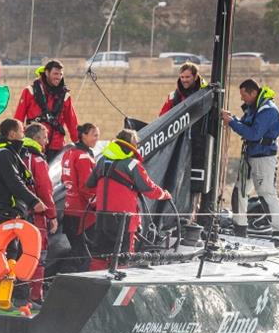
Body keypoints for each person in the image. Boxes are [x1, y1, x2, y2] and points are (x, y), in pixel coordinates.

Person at [86, 129, 171, 271]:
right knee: (122, 257)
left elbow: (89, 184)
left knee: (99, 255)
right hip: (124, 220)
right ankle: (118, 287)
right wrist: (165, 194)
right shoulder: (132, 164)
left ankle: (94, 285)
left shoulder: (102, 161)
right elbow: (149, 189)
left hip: (102, 216)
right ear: (132, 144)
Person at [0, 119, 46, 304]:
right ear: (11, 134)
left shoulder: (11, 153)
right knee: (5, 255)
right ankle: (1, 300)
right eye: (21, 130)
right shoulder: (4, 154)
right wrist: (34, 201)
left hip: (10, 211)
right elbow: (14, 182)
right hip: (2, 211)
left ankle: (9, 298)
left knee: (13, 254)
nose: (24, 133)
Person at [221, 79, 279, 246]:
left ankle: (278, 234)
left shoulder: (268, 110)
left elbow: (254, 134)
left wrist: (232, 123)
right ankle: (240, 228)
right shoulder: (254, 108)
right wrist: (232, 118)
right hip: (250, 157)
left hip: (264, 158)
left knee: (266, 194)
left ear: (253, 93)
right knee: (239, 192)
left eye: (244, 96)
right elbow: (245, 124)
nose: (243, 100)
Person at [159, 62, 209, 221]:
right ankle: (173, 218)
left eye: (188, 77)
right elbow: (162, 118)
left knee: (196, 183)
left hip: (200, 145)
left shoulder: (206, 94)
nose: (185, 80)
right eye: (182, 77)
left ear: (195, 76)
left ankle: (192, 218)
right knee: (176, 179)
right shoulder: (174, 96)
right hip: (178, 146)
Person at [21, 123, 58, 302]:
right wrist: (52, 216)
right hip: (34, 214)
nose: (47, 141)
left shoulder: (12, 154)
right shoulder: (37, 159)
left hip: (12, 213)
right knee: (37, 254)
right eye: (45, 137)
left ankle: (9, 294)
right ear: (36, 139)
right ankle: (35, 296)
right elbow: (45, 189)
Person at [14, 59, 79, 162]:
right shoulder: (30, 91)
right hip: (33, 143)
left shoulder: (65, 96)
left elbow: (72, 122)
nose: (58, 77)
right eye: (55, 73)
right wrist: (15, 141)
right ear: (47, 73)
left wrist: (79, 144)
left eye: (60, 74)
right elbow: (19, 118)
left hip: (56, 146)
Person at [58, 123, 99, 273]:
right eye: (94, 135)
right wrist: (98, 205)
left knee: (76, 253)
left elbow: (65, 179)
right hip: (84, 215)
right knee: (86, 257)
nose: (97, 138)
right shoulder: (83, 156)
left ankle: (66, 281)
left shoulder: (68, 153)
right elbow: (86, 187)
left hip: (69, 211)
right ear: (84, 135)